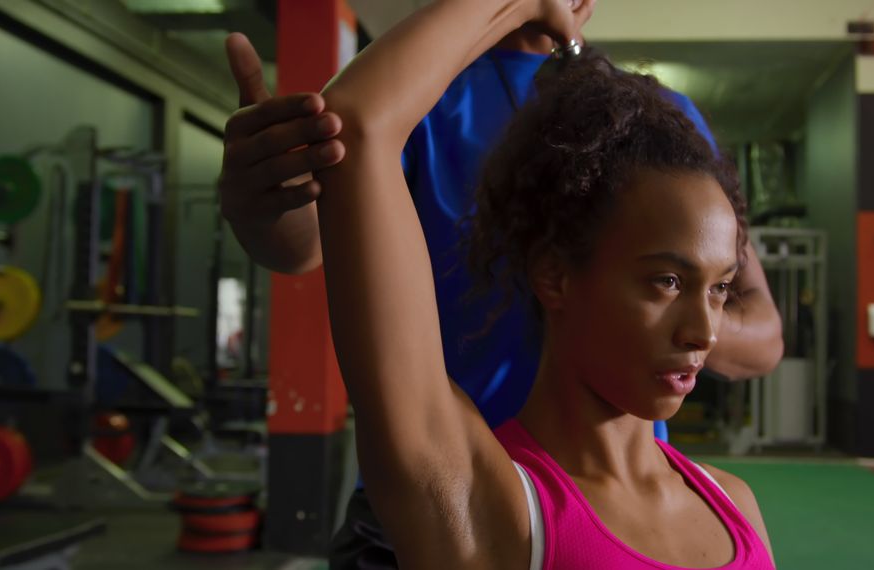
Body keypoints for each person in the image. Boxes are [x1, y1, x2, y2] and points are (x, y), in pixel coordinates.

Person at [220, 2, 781, 568]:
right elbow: (303, 241)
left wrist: (649, 307)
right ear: (551, 273)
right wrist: (264, 200)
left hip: (613, 490)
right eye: (666, 278)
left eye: (712, 288)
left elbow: (759, 332)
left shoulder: (657, 126)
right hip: (453, 492)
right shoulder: (424, 101)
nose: (703, 326)